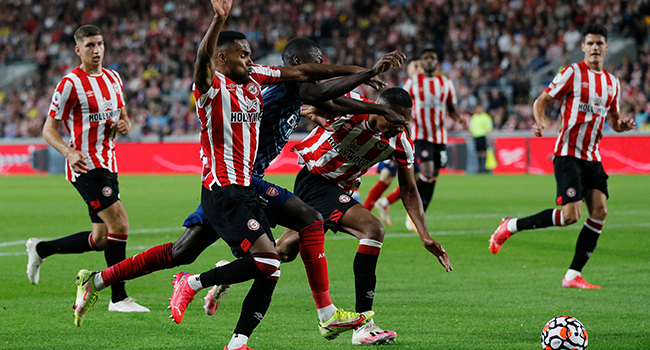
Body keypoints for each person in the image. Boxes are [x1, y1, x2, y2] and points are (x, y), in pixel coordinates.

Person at [71, 1, 403, 348]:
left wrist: (368, 83)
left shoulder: (260, 76)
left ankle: (101, 281)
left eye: (249, 54)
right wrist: (219, 19)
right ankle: (228, 292)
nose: (249, 59)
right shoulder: (237, 86)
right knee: (282, 241)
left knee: (214, 253)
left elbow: (328, 97)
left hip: (247, 180)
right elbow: (315, 89)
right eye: (242, 54)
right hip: (231, 183)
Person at [179, 38, 407, 341]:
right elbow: (325, 93)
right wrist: (366, 80)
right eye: (316, 62)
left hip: (250, 179)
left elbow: (336, 103)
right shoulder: (293, 86)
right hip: (236, 179)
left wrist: (365, 102)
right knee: (189, 249)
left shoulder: (300, 93)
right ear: (299, 65)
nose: (321, 68)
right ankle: (346, 322)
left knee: (276, 255)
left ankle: (220, 284)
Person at [278, 88, 453, 345]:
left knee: (283, 251)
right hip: (314, 180)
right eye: (394, 120)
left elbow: (409, 188)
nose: (398, 127)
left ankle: (225, 274)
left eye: (404, 122)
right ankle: (364, 324)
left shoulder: (401, 142)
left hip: (338, 189)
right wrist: (311, 108)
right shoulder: (353, 106)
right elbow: (314, 93)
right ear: (379, 110)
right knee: (373, 229)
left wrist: (424, 235)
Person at [489, 24, 636, 289]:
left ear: (606, 47)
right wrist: (539, 122)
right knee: (570, 216)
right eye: (589, 43)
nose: (594, 48)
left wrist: (621, 125)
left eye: (599, 43)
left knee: (600, 211)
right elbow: (541, 101)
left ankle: (572, 275)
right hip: (567, 154)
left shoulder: (612, 83)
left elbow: (612, 119)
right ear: (582, 47)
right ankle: (511, 225)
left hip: (593, 156)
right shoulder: (571, 73)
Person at [26, 24, 148, 313]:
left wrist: (125, 124)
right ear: (78, 50)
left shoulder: (114, 78)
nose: (97, 50)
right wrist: (68, 152)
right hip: (85, 165)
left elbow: (123, 115)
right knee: (120, 224)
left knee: (101, 238)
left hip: (109, 162)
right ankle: (118, 297)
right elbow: (48, 129)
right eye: (90, 45)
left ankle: (40, 249)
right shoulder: (70, 84)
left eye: (100, 44)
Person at [365, 48, 465, 230]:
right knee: (420, 173)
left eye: (431, 58)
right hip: (418, 135)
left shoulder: (445, 82)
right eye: (424, 59)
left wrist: (459, 118)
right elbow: (401, 103)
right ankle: (382, 209)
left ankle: (408, 210)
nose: (428, 62)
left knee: (431, 176)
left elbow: (451, 105)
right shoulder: (412, 82)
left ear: (437, 62)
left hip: (440, 137)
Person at [469, 105, 494, 173]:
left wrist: (489, 138)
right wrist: (471, 137)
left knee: (484, 152)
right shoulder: (474, 117)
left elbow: (489, 128)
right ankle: (479, 167)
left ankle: (484, 167)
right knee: (478, 152)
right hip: (476, 136)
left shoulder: (486, 117)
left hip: (483, 136)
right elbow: (471, 128)